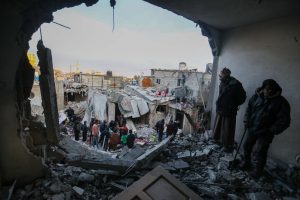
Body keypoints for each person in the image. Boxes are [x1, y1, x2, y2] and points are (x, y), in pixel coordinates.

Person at [240, 79, 290, 178]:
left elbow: (284, 121)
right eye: (266, 90)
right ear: (263, 88)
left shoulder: (281, 102)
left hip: (266, 132)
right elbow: (249, 109)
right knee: (247, 146)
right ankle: (246, 162)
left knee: (259, 151)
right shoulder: (256, 97)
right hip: (252, 127)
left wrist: (271, 130)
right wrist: (246, 120)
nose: (267, 92)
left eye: (270, 91)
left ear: (274, 91)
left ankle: (257, 171)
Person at [212, 68, 246, 153]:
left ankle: (227, 146)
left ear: (226, 75)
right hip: (221, 109)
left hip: (229, 111)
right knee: (218, 127)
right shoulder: (223, 83)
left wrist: (233, 105)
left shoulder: (236, 84)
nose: (219, 77)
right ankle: (219, 142)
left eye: (221, 75)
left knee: (228, 129)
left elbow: (242, 98)